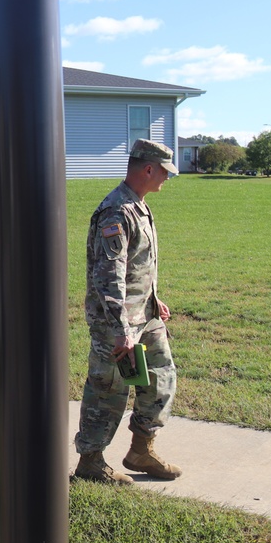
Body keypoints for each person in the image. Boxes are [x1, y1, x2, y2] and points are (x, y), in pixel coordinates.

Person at [73, 139, 183, 484]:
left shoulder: (139, 205)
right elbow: (108, 275)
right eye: (165, 171)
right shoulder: (117, 211)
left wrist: (153, 298)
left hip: (144, 316)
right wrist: (122, 327)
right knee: (109, 390)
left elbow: (136, 265)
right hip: (117, 323)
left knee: (160, 378)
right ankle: (90, 462)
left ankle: (141, 450)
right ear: (148, 168)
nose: (167, 178)